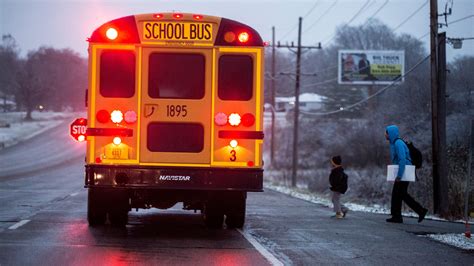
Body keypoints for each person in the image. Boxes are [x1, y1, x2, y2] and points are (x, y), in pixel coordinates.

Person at [385, 125, 428, 223]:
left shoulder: (398, 143)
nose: (385, 134)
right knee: (398, 194)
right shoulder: (395, 143)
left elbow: (402, 159)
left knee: (401, 194)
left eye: (386, 132)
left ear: (390, 133)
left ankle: (420, 211)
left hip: (404, 171)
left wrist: (399, 175)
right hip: (403, 171)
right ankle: (397, 216)